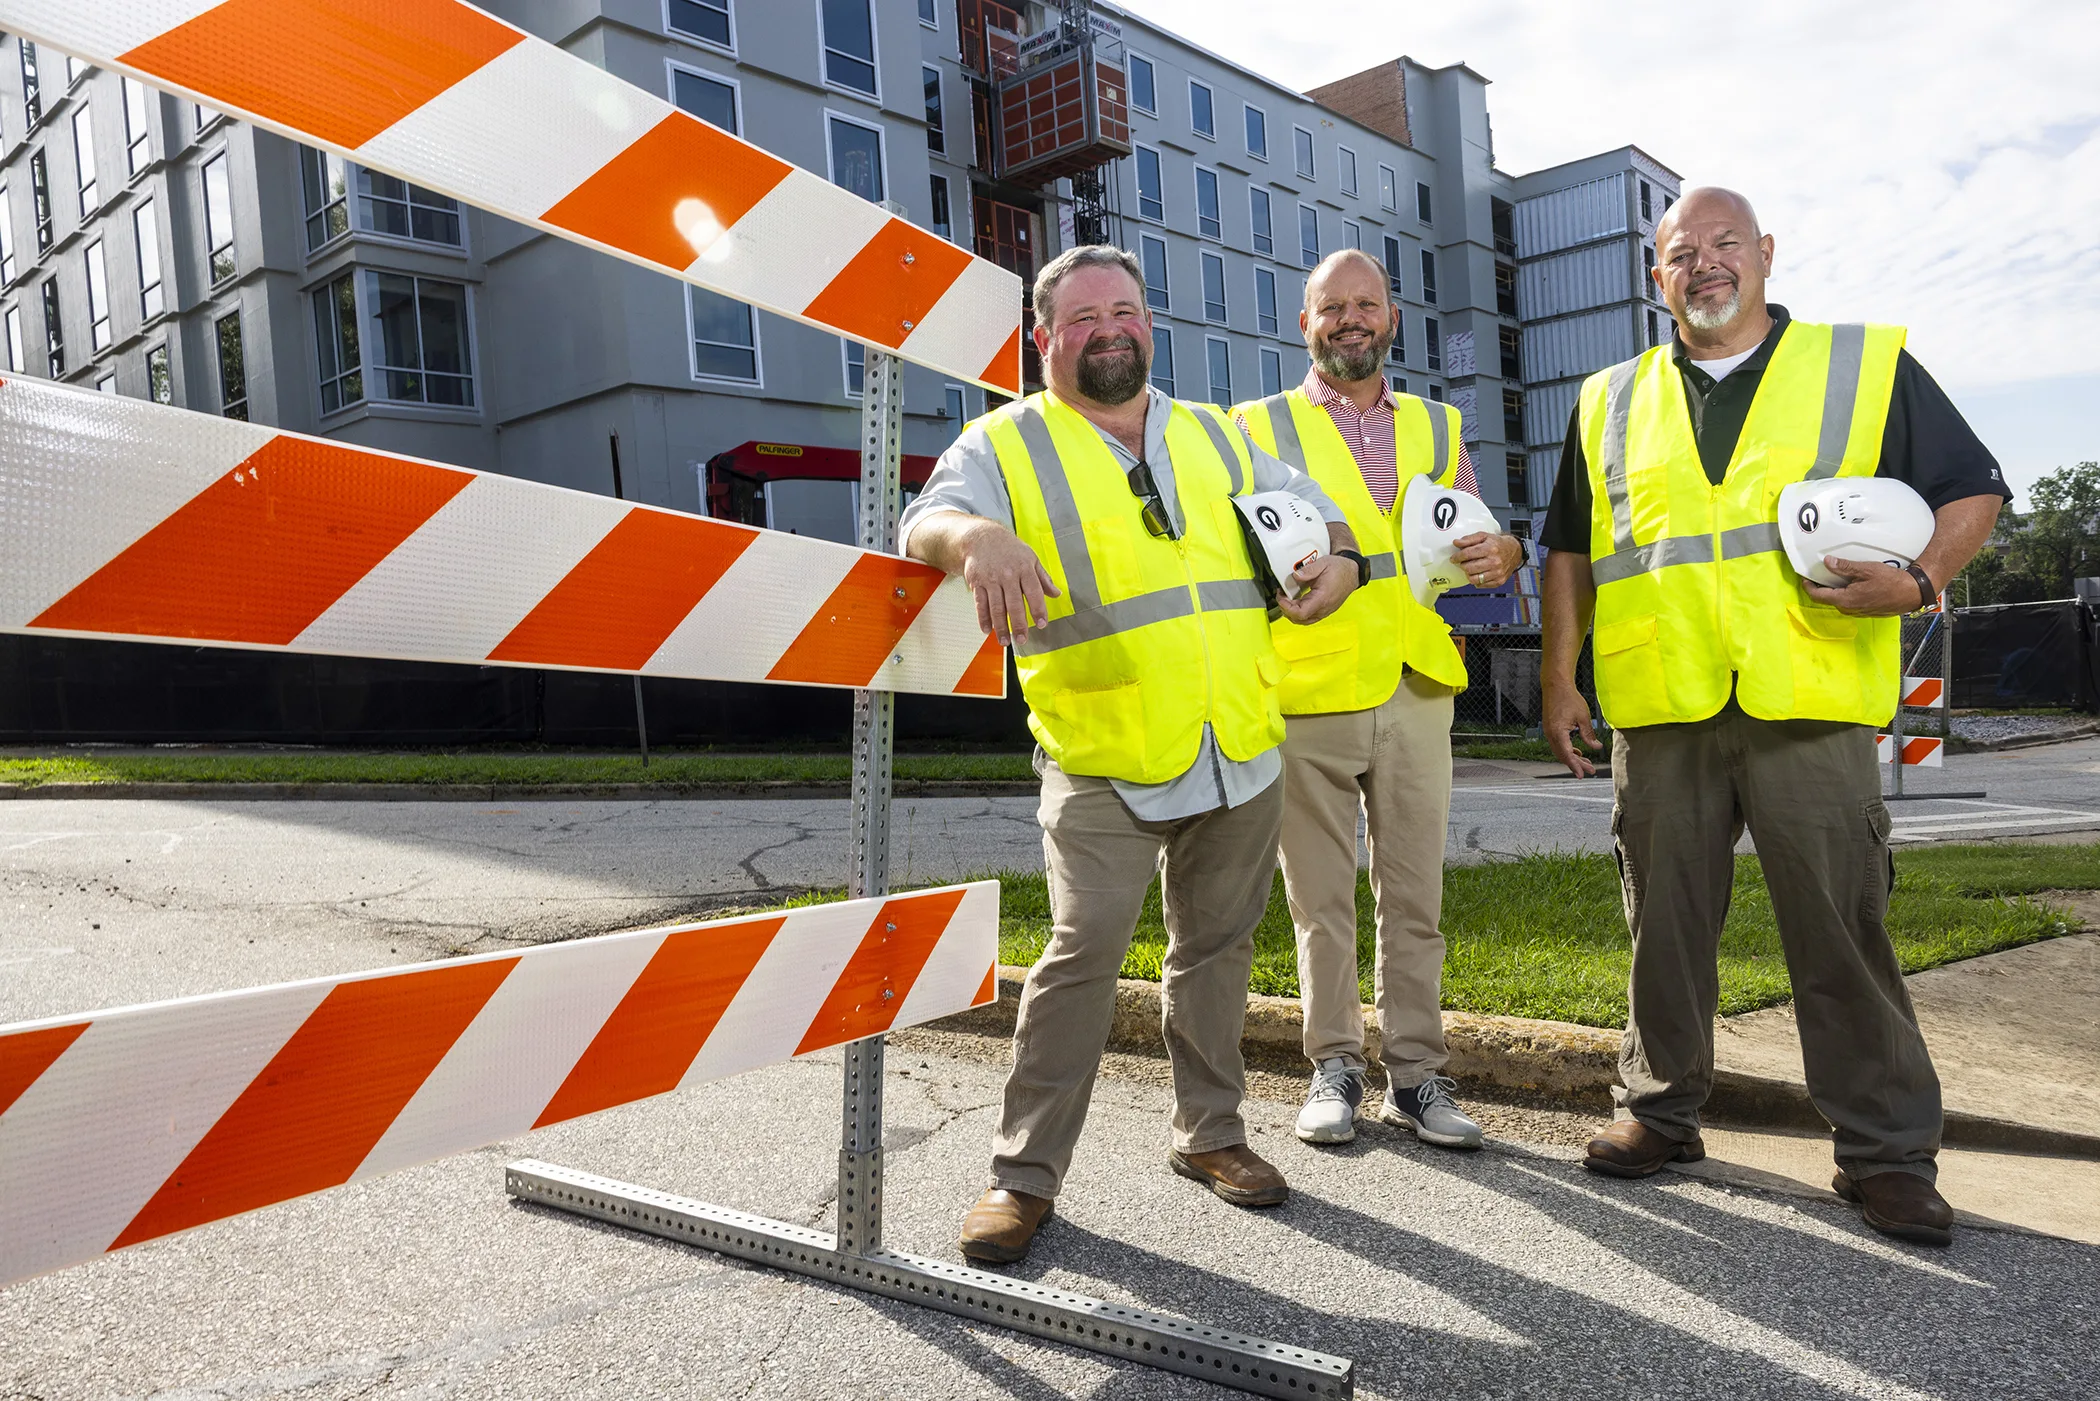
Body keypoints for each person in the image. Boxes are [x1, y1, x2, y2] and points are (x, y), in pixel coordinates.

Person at [1538, 187, 2007, 1246]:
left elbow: (1973, 487)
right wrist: (1560, 680)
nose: (1703, 265)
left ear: (1766, 255)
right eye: (1679, 253)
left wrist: (1926, 579)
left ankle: (1883, 1155)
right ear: (1654, 277)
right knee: (1663, 927)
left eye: (1723, 245)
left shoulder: (1861, 366)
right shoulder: (1608, 398)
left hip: (1809, 694)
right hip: (1661, 702)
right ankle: (1658, 1114)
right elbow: (1570, 549)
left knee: (1841, 930)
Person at [900, 245, 1358, 1264]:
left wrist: (1347, 561)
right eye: (1084, 317)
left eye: (1127, 310)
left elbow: (1314, 516)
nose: (1110, 329)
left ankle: (1211, 1135)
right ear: (1044, 337)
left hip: (1236, 742)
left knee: (1216, 954)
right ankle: (1021, 1179)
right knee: (1081, 961)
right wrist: (976, 541)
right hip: (1101, 748)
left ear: (1150, 324)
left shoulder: (1212, 437)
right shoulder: (1005, 443)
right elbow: (924, 517)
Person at [1234, 250, 1523, 1150]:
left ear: (1393, 317)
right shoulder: (1256, 423)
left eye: (1367, 304)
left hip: (1415, 683)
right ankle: (1333, 1065)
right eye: (1332, 307)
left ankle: (1419, 1075)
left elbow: (1469, 527)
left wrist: (1505, 552)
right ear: (1305, 322)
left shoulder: (1439, 424)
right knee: (1320, 901)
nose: (1351, 319)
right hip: (1309, 686)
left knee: (1414, 894)